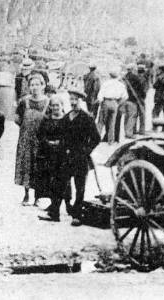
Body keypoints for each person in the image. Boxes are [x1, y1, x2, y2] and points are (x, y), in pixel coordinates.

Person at [34, 95, 72, 222]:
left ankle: (67, 205)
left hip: (62, 155)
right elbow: (40, 134)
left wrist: (59, 143)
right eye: (53, 105)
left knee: (63, 181)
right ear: (50, 107)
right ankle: (53, 206)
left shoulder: (67, 120)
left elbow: (68, 136)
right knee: (50, 181)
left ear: (62, 106)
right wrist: (48, 143)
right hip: (48, 154)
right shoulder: (47, 120)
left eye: (58, 105)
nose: (55, 108)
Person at [14, 73, 50, 206]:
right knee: (26, 165)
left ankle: (37, 197)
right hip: (26, 139)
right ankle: (26, 194)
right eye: (32, 85)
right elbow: (17, 118)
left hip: (41, 140)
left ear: (43, 86)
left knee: (39, 166)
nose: (34, 87)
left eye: (37, 84)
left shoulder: (47, 102)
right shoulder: (24, 101)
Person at [66, 89, 100, 226]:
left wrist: (86, 150)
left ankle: (77, 214)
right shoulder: (67, 117)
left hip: (80, 157)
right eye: (71, 99)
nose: (73, 102)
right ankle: (68, 205)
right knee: (64, 183)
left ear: (81, 101)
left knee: (80, 186)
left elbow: (96, 138)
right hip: (67, 156)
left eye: (76, 100)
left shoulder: (87, 118)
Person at [97, 68, 128, 143]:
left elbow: (100, 96)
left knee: (101, 122)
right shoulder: (120, 84)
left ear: (109, 75)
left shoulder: (106, 83)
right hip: (115, 103)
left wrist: (101, 103)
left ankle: (96, 138)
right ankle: (110, 140)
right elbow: (125, 96)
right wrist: (118, 103)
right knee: (112, 123)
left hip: (106, 101)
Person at [123, 65, 148, 138]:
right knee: (141, 115)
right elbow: (143, 89)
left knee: (130, 115)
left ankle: (133, 130)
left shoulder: (125, 77)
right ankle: (141, 131)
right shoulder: (140, 78)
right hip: (138, 99)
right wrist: (143, 97)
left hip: (128, 98)